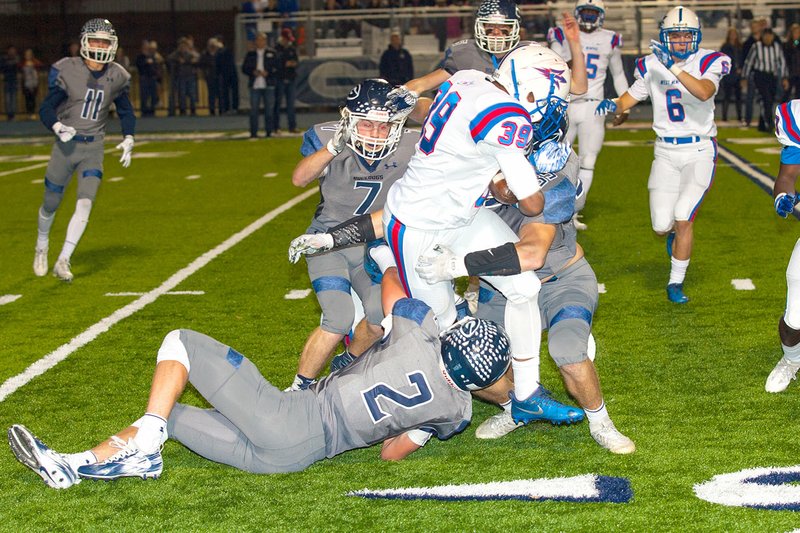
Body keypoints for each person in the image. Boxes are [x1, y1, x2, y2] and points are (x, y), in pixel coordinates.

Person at [7, 264, 512, 487]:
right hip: (293, 458)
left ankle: (148, 439)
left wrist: (441, 288)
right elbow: (390, 450)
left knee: (179, 341)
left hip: (289, 417)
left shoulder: (418, 332)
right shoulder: (458, 411)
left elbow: (391, 281)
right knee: (176, 415)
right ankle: (76, 464)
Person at [289, 44, 584, 425]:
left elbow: (447, 95)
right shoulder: (507, 117)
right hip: (418, 230)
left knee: (525, 287)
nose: (550, 107)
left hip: (459, 215)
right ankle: (410, 405)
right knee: (445, 330)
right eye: (547, 97)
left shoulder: (470, 81)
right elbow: (530, 205)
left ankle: (527, 394)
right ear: (524, 86)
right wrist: (538, 163)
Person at [417, 149, 634, 453]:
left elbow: (531, 255)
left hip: (561, 280)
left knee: (567, 352)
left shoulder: (552, 179)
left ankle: (601, 422)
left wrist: (457, 266)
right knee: (474, 357)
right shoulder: (468, 169)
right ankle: (514, 408)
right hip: (505, 291)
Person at [286, 79, 416, 390]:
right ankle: (300, 386)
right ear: (349, 119)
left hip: (373, 245)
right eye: (367, 124)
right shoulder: (325, 136)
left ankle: (347, 360)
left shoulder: (413, 144)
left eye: (384, 126)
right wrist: (333, 148)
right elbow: (299, 178)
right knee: (339, 317)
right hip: (326, 241)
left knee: (380, 317)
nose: (375, 133)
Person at [596, 6, 729, 304]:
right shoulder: (650, 64)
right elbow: (630, 97)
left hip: (699, 150)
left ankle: (675, 283)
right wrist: (612, 105)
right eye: (675, 36)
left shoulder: (711, 60)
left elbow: (705, 91)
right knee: (660, 225)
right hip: (665, 151)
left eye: (686, 36)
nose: (681, 42)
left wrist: (675, 68)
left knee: (683, 217)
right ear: (665, 37)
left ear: (696, 37)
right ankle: (675, 238)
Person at [33, 18, 136, 282]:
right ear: (84, 43)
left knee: (86, 202)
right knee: (51, 201)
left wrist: (129, 137)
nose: (100, 46)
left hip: (94, 147)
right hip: (66, 146)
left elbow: (125, 110)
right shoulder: (68, 69)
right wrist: (57, 126)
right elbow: (46, 107)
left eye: (105, 41)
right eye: (96, 40)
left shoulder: (117, 75)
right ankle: (42, 243)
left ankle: (63, 259)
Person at [390, 0, 587, 122]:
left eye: (503, 29)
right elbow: (424, 82)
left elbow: (578, 87)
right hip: (477, 134)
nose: (496, 34)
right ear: (479, 28)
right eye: (489, 28)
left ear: (515, 29)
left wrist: (575, 44)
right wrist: (406, 91)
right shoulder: (467, 53)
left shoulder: (530, 54)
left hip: (519, 134)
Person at [547, 0, 629, 231]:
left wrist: (625, 105)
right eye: (587, 12)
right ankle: (554, 207)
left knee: (588, 161)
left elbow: (618, 73)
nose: (590, 17)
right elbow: (552, 65)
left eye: (594, 13)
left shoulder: (609, 38)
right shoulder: (561, 33)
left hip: (594, 106)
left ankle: (573, 212)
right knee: (555, 159)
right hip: (566, 103)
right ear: (578, 13)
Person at [765, 99, 800, 393]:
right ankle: (791, 361)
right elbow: (787, 174)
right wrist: (782, 196)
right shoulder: (795, 115)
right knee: (794, 320)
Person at [742, 27, 789, 132]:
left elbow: (782, 62)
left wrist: (785, 78)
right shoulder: (756, 46)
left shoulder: (777, 47)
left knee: (769, 101)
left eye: (770, 36)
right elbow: (749, 62)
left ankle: (762, 125)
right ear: (762, 37)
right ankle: (770, 124)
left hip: (772, 76)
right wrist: (744, 77)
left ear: (772, 37)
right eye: (766, 36)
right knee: (765, 99)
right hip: (760, 76)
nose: (768, 38)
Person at [242, 32, 278, 138]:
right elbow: (244, 68)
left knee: (269, 110)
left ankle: (269, 132)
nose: (260, 42)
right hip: (255, 85)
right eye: (258, 40)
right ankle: (253, 132)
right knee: (254, 110)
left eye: (262, 40)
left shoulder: (272, 53)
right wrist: (253, 72)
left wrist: (268, 72)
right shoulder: (251, 54)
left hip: (269, 84)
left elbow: (278, 67)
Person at [742, 18, 767, 127]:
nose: (755, 28)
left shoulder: (766, 40)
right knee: (750, 98)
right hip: (752, 74)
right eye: (753, 27)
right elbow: (745, 60)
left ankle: (764, 121)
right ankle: (747, 120)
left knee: (765, 98)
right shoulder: (748, 42)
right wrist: (744, 76)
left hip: (765, 73)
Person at [273, 28, 298, 133]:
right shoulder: (276, 49)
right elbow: (275, 64)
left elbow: (296, 61)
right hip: (280, 79)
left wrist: (292, 64)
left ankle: (292, 126)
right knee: (277, 104)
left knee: (291, 105)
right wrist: (285, 64)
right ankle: (276, 127)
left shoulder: (291, 48)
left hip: (291, 78)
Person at [167, 37, 199, 116]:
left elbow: (197, 59)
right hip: (180, 77)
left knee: (192, 94)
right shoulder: (175, 55)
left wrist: (188, 61)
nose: (183, 47)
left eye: (184, 45)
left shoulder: (190, 54)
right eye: (181, 46)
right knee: (182, 94)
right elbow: (169, 59)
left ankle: (193, 110)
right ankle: (183, 110)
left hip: (190, 76)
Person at [720, 28, 744, 122]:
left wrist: (740, 69)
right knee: (727, 96)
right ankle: (724, 117)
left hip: (738, 75)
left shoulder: (739, 47)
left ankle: (739, 116)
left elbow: (742, 59)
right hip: (729, 74)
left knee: (739, 96)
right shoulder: (725, 47)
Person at [135, 40, 161, 117]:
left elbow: (156, 64)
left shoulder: (152, 56)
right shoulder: (140, 56)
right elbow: (138, 65)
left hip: (152, 77)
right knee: (144, 95)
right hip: (144, 77)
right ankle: (144, 111)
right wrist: (146, 62)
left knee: (153, 94)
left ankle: (152, 110)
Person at [216, 38, 239, 115]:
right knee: (226, 92)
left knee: (232, 91)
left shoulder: (226, 51)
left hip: (229, 73)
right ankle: (228, 108)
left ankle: (232, 107)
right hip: (225, 73)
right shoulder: (220, 52)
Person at [199, 38, 221, 115]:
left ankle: (221, 109)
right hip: (210, 76)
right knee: (211, 94)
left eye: (213, 45)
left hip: (219, 76)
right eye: (211, 45)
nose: (212, 46)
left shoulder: (220, 53)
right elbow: (201, 64)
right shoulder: (205, 54)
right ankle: (212, 110)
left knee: (220, 93)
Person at [20, 48, 43, 118]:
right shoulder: (23, 63)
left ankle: (33, 112)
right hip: (26, 84)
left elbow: (40, 65)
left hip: (34, 83)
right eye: (27, 54)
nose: (28, 55)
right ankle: (28, 112)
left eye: (29, 54)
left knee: (33, 98)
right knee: (27, 99)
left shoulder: (35, 62)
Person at [1, 45, 19, 120]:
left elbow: (18, 66)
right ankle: (9, 114)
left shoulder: (17, 58)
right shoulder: (4, 59)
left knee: (14, 98)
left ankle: (13, 114)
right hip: (7, 81)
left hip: (14, 81)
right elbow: (3, 67)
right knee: (8, 98)